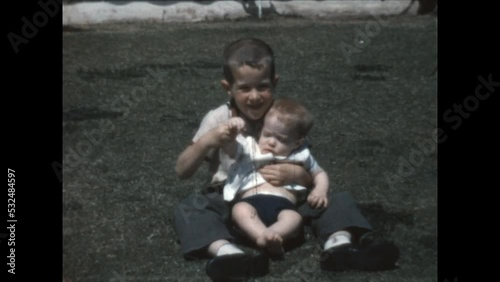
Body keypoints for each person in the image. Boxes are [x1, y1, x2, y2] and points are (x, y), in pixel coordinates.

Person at [173, 38, 400, 281]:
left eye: (262, 87)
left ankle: (339, 246)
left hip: (286, 196)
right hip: (232, 197)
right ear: (227, 88)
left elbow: (308, 167)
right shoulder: (217, 119)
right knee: (189, 208)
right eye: (244, 88)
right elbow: (182, 170)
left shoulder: (284, 115)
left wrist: (294, 174)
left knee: (335, 200)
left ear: (275, 82)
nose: (254, 96)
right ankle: (228, 254)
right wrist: (208, 140)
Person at [222, 98, 329, 257]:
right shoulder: (250, 148)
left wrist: (320, 190)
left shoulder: (301, 156)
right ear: (261, 130)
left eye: (282, 139)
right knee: (239, 210)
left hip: (284, 204)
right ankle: (263, 237)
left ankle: (272, 235)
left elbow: (320, 173)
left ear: (297, 143)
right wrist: (232, 131)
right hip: (251, 200)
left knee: (294, 218)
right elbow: (230, 147)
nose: (271, 142)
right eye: (267, 134)